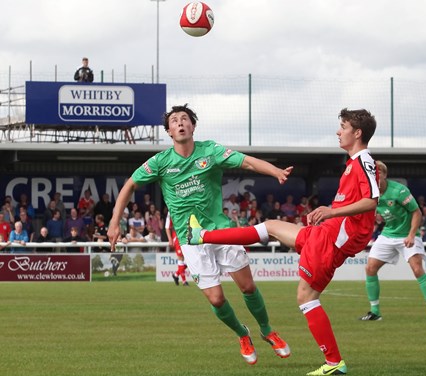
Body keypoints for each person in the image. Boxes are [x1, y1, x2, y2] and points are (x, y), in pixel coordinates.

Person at [188, 108, 378, 375]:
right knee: (271, 227)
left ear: (357, 133)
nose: (338, 131)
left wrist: (331, 211)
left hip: (332, 238)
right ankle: (202, 236)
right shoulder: (356, 162)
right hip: (329, 234)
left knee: (306, 297)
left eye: (343, 126)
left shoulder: (362, 161)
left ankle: (334, 363)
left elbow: (371, 201)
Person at [107, 104, 291, 366]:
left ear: (193, 126)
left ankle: (267, 330)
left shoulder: (211, 151)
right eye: (174, 120)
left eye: (185, 119)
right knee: (216, 299)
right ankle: (243, 334)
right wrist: (115, 221)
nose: (180, 123)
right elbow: (130, 185)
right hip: (191, 240)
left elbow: (247, 161)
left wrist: (276, 171)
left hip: (221, 233)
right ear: (169, 131)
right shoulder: (160, 162)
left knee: (248, 286)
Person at [360, 161, 426, 323]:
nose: (375, 176)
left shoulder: (399, 191)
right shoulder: (370, 193)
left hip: (407, 235)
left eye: (378, 173)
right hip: (388, 234)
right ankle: (375, 311)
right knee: (370, 268)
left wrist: (411, 235)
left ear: (384, 175)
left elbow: (417, 213)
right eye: (372, 174)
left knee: (417, 269)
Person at [165, 212, 188, 286]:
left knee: (189, 261)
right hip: (178, 238)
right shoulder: (171, 211)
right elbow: (167, 227)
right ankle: (184, 281)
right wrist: (170, 239)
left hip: (188, 236)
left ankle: (176, 275)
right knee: (181, 258)